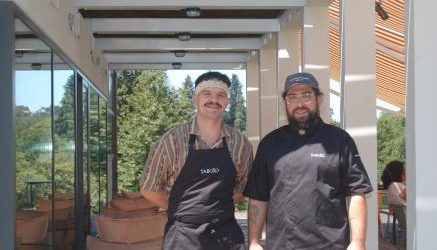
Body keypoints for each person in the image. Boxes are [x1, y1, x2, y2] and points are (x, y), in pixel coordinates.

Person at [244, 72, 373, 250]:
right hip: (282, 245)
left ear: (318, 99)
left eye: (306, 95)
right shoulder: (269, 144)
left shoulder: (339, 140)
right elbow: (258, 197)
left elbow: (356, 192)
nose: (300, 104)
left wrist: (358, 242)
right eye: (292, 97)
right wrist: (253, 241)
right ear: (285, 103)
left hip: (331, 245)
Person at [139, 71, 253, 250]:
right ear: (195, 98)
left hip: (226, 236)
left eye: (220, 95)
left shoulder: (240, 143)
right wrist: (181, 210)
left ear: (227, 102)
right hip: (182, 237)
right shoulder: (171, 141)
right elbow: (148, 188)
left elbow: (243, 187)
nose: (214, 100)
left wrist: (214, 211)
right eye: (207, 94)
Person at [381, 160, 406, 231]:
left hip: (402, 221)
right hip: (411, 220)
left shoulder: (390, 187)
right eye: (404, 171)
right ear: (399, 173)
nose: (406, 173)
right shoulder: (400, 186)